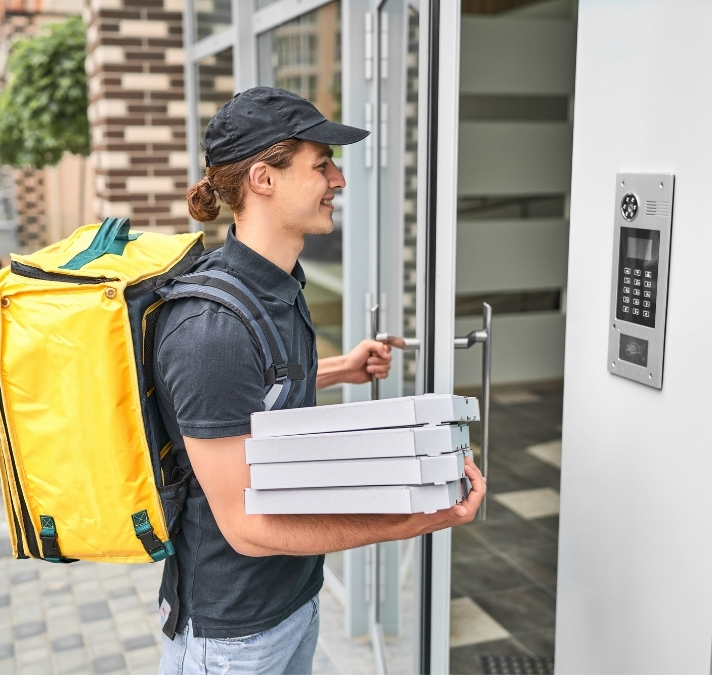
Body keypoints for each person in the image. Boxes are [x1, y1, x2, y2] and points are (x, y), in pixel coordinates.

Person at [153, 87, 485, 675]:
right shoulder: (211, 332)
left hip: (293, 602)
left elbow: (254, 401)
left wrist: (338, 370)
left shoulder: (276, 286)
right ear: (263, 178)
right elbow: (248, 529)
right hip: (234, 638)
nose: (339, 179)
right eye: (321, 164)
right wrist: (414, 518)